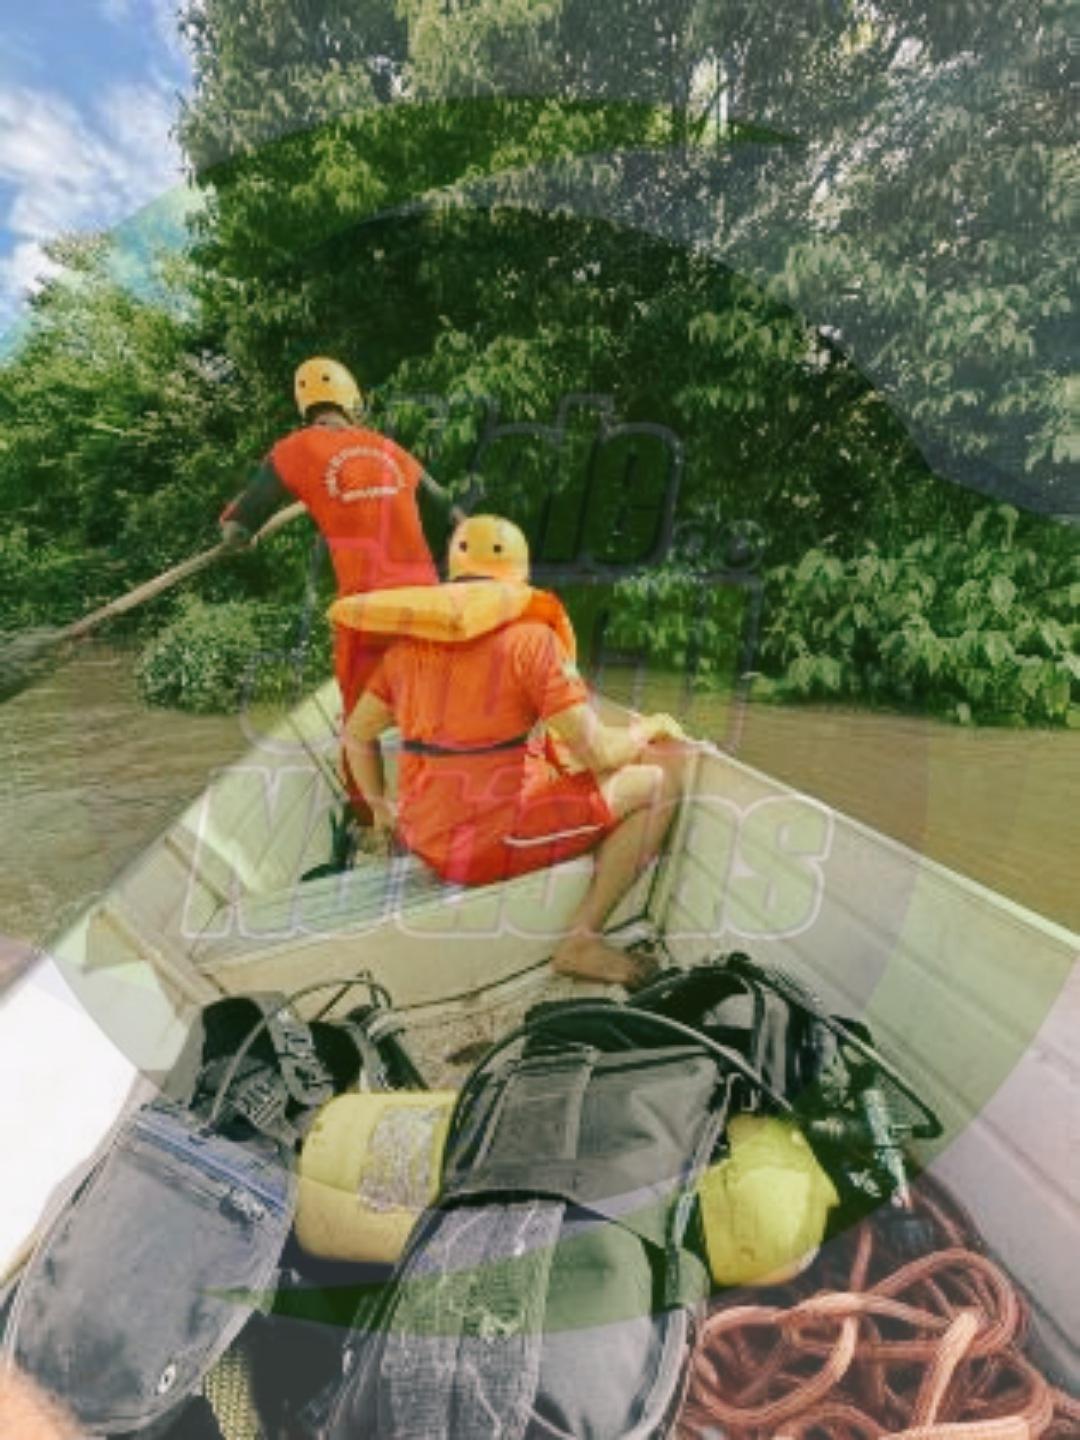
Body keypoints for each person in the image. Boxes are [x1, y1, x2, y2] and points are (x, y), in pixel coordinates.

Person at [343, 515, 689, 987]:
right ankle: (581, 941)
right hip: (486, 845)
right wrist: (647, 727)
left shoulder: (405, 650)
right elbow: (602, 754)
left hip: (423, 837)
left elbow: (357, 734)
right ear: (517, 578)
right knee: (658, 782)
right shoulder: (531, 640)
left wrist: (382, 811)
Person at [220, 357, 458, 816]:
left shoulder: (292, 450)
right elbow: (452, 513)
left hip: (369, 612)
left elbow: (237, 529)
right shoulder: (390, 448)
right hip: (429, 607)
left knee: (358, 725)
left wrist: (239, 534)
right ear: (354, 404)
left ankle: (369, 822)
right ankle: (444, 802)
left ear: (304, 408)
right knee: (438, 708)